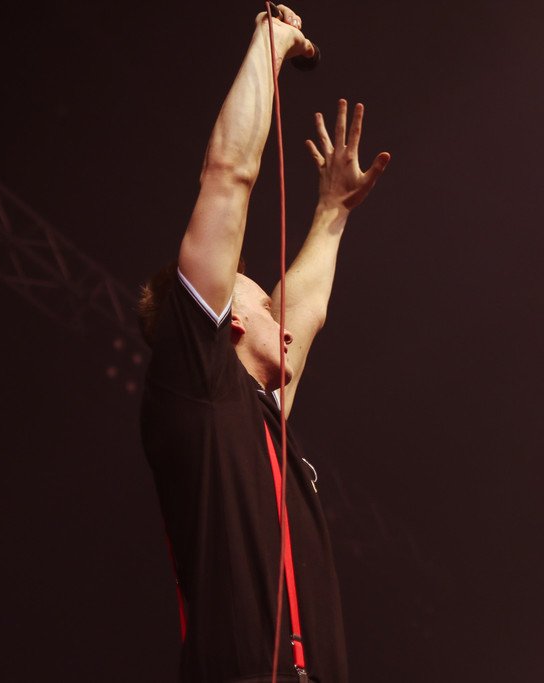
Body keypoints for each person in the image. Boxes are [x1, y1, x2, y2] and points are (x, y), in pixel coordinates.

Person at [137, 5, 390, 682]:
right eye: (262, 300)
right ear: (229, 323)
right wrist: (269, 44)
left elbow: (307, 312)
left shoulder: (260, 418)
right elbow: (229, 174)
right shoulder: (199, 386)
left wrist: (332, 213)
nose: (283, 314)